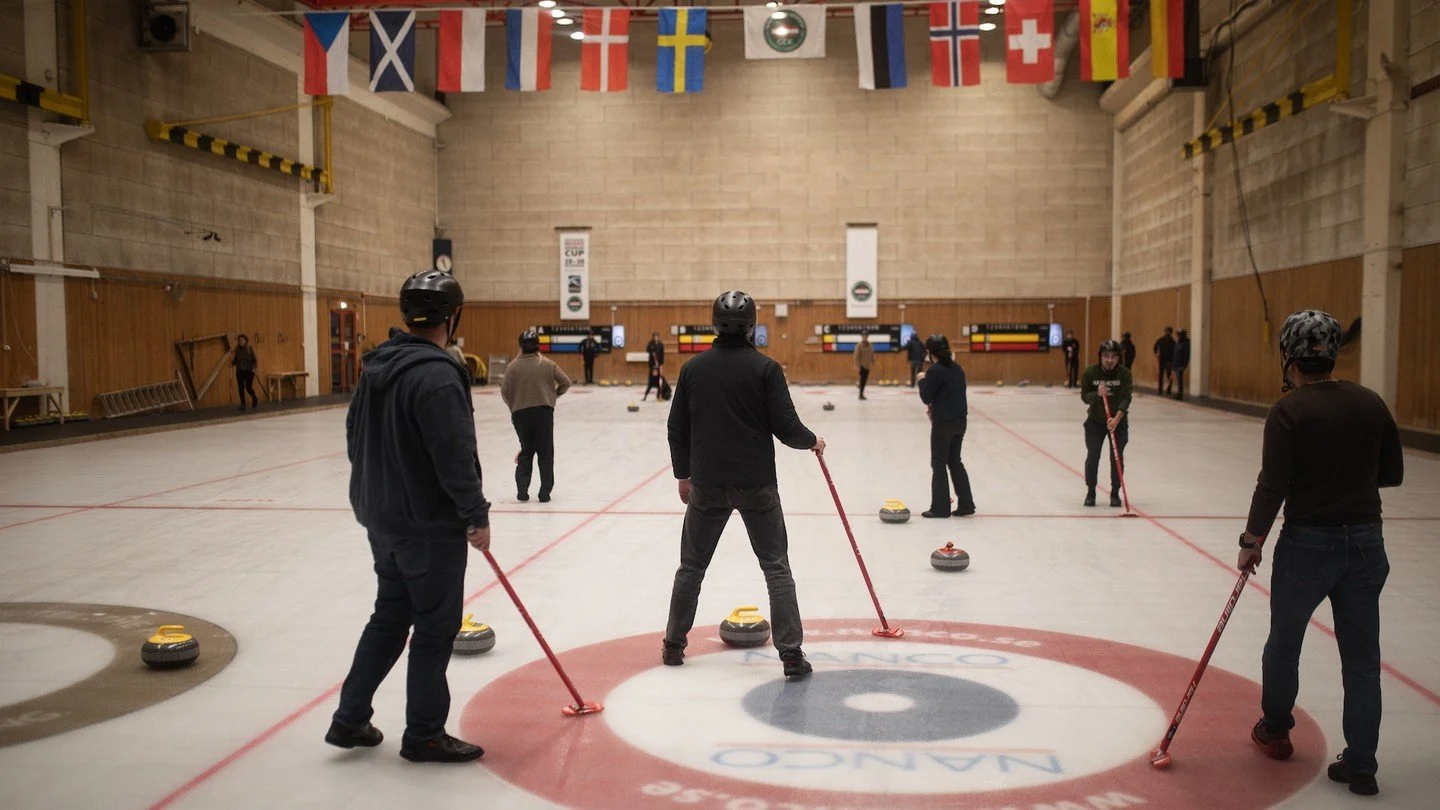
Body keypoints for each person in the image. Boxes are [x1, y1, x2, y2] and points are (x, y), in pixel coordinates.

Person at [329, 269, 489, 764]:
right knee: (435, 628)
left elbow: (354, 436)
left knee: (390, 617)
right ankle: (424, 733)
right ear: (453, 317)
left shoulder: (377, 365)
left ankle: (350, 717)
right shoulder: (438, 374)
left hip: (384, 520)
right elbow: (454, 456)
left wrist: (385, 497)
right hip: (427, 528)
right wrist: (475, 514)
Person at [1240, 310, 1403, 798]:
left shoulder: (1289, 412)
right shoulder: (1370, 403)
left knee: (1285, 642)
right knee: (1361, 657)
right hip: (1366, 544)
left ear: (1289, 357)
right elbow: (1391, 474)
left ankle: (1274, 728)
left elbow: (1273, 485)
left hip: (1308, 544)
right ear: (1332, 353)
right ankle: (1361, 764)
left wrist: (1251, 542)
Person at [664, 290, 823, 680]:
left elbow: (677, 429)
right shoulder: (765, 369)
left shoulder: (693, 370)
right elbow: (787, 429)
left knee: (691, 568)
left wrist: (683, 476)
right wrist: (812, 441)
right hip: (757, 486)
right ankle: (790, 655)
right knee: (776, 569)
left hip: (708, 484)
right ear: (752, 326)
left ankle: (673, 646)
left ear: (713, 324)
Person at [502, 329, 571, 503]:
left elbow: (504, 392)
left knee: (527, 450)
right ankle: (544, 492)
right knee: (545, 452)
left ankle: (522, 490)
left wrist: (515, 406)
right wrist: (552, 396)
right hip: (543, 413)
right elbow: (566, 383)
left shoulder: (512, 367)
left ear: (521, 346)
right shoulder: (548, 364)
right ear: (538, 345)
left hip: (520, 414)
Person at [917, 334, 975, 519]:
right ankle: (966, 504)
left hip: (944, 424)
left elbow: (926, 396)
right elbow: (948, 394)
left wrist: (921, 380)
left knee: (939, 462)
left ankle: (940, 508)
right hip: (960, 421)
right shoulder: (957, 369)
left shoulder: (935, 370)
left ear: (930, 353)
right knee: (955, 461)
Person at [1079, 340, 1133, 508]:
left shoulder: (1124, 374)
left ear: (1118, 358)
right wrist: (1097, 393)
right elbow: (1084, 397)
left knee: (1116, 458)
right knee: (1093, 457)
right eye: (1106, 356)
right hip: (1095, 422)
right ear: (1100, 357)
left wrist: (1116, 419)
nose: (1110, 360)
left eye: (1114, 357)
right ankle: (1091, 491)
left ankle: (1115, 493)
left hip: (1118, 423)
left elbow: (1126, 398)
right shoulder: (1090, 373)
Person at [233, 334, 259, 411]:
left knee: (248, 388)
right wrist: (231, 363)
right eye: (240, 340)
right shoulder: (236, 349)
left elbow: (254, 360)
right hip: (239, 371)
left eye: (242, 340)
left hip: (249, 371)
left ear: (245, 340)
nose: (241, 341)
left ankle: (254, 399)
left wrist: (254, 368)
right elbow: (235, 360)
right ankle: (243, 404)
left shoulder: (249, 349)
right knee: (240, 388)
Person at [643, 332, 666, 401]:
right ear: (653, 337)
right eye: (655, 336)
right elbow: (647, 350)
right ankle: (645, 396)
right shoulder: (650, 344)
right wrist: (651, 348)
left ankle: (659, 395)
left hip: (658, 365)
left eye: (657, 336)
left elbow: (662, 355)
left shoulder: (661, 345)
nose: (656, 338)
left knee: (660, 381)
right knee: (650, 381)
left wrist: (661, 365)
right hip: (652, 365)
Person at [1154, 327, 1176, 395]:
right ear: (1165, 331)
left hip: (1169, 360)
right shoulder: (1161, 340)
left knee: (1169, 375)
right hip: (1161, 360)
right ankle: (1160, 389)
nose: (1168, 332)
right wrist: (1156, 353)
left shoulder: (1173, 341)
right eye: (1167, 331)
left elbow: (1175, 351)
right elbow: (1155, 347)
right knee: (1160, 375)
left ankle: (1168, 389)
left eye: (1169, 331)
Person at [1171, 329, 1191, 401]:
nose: (1178, 336)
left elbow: (1186, 355)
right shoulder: (1178, 343)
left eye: (1179, 335)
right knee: (1177, 380)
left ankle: (1180, 394)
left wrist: (1184, 365)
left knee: (1180, 380)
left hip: (1180, 365)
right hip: (1176, 364)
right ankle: (1178, 392)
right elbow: (1175, 354)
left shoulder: (1185, 344)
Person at [854, 333, 875, 400]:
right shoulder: (859, 345)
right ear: (862, 337)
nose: (865, 337)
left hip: (867, 365)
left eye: (866, 336)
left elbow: (872, 354)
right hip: (861, 365)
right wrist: (856, 365)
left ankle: (859, 386)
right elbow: (856, 355)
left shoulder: (870, 345)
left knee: (864, 380)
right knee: (863, 380)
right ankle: (861, 395)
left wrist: (873, 361)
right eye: (863, 336)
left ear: (867, 337)